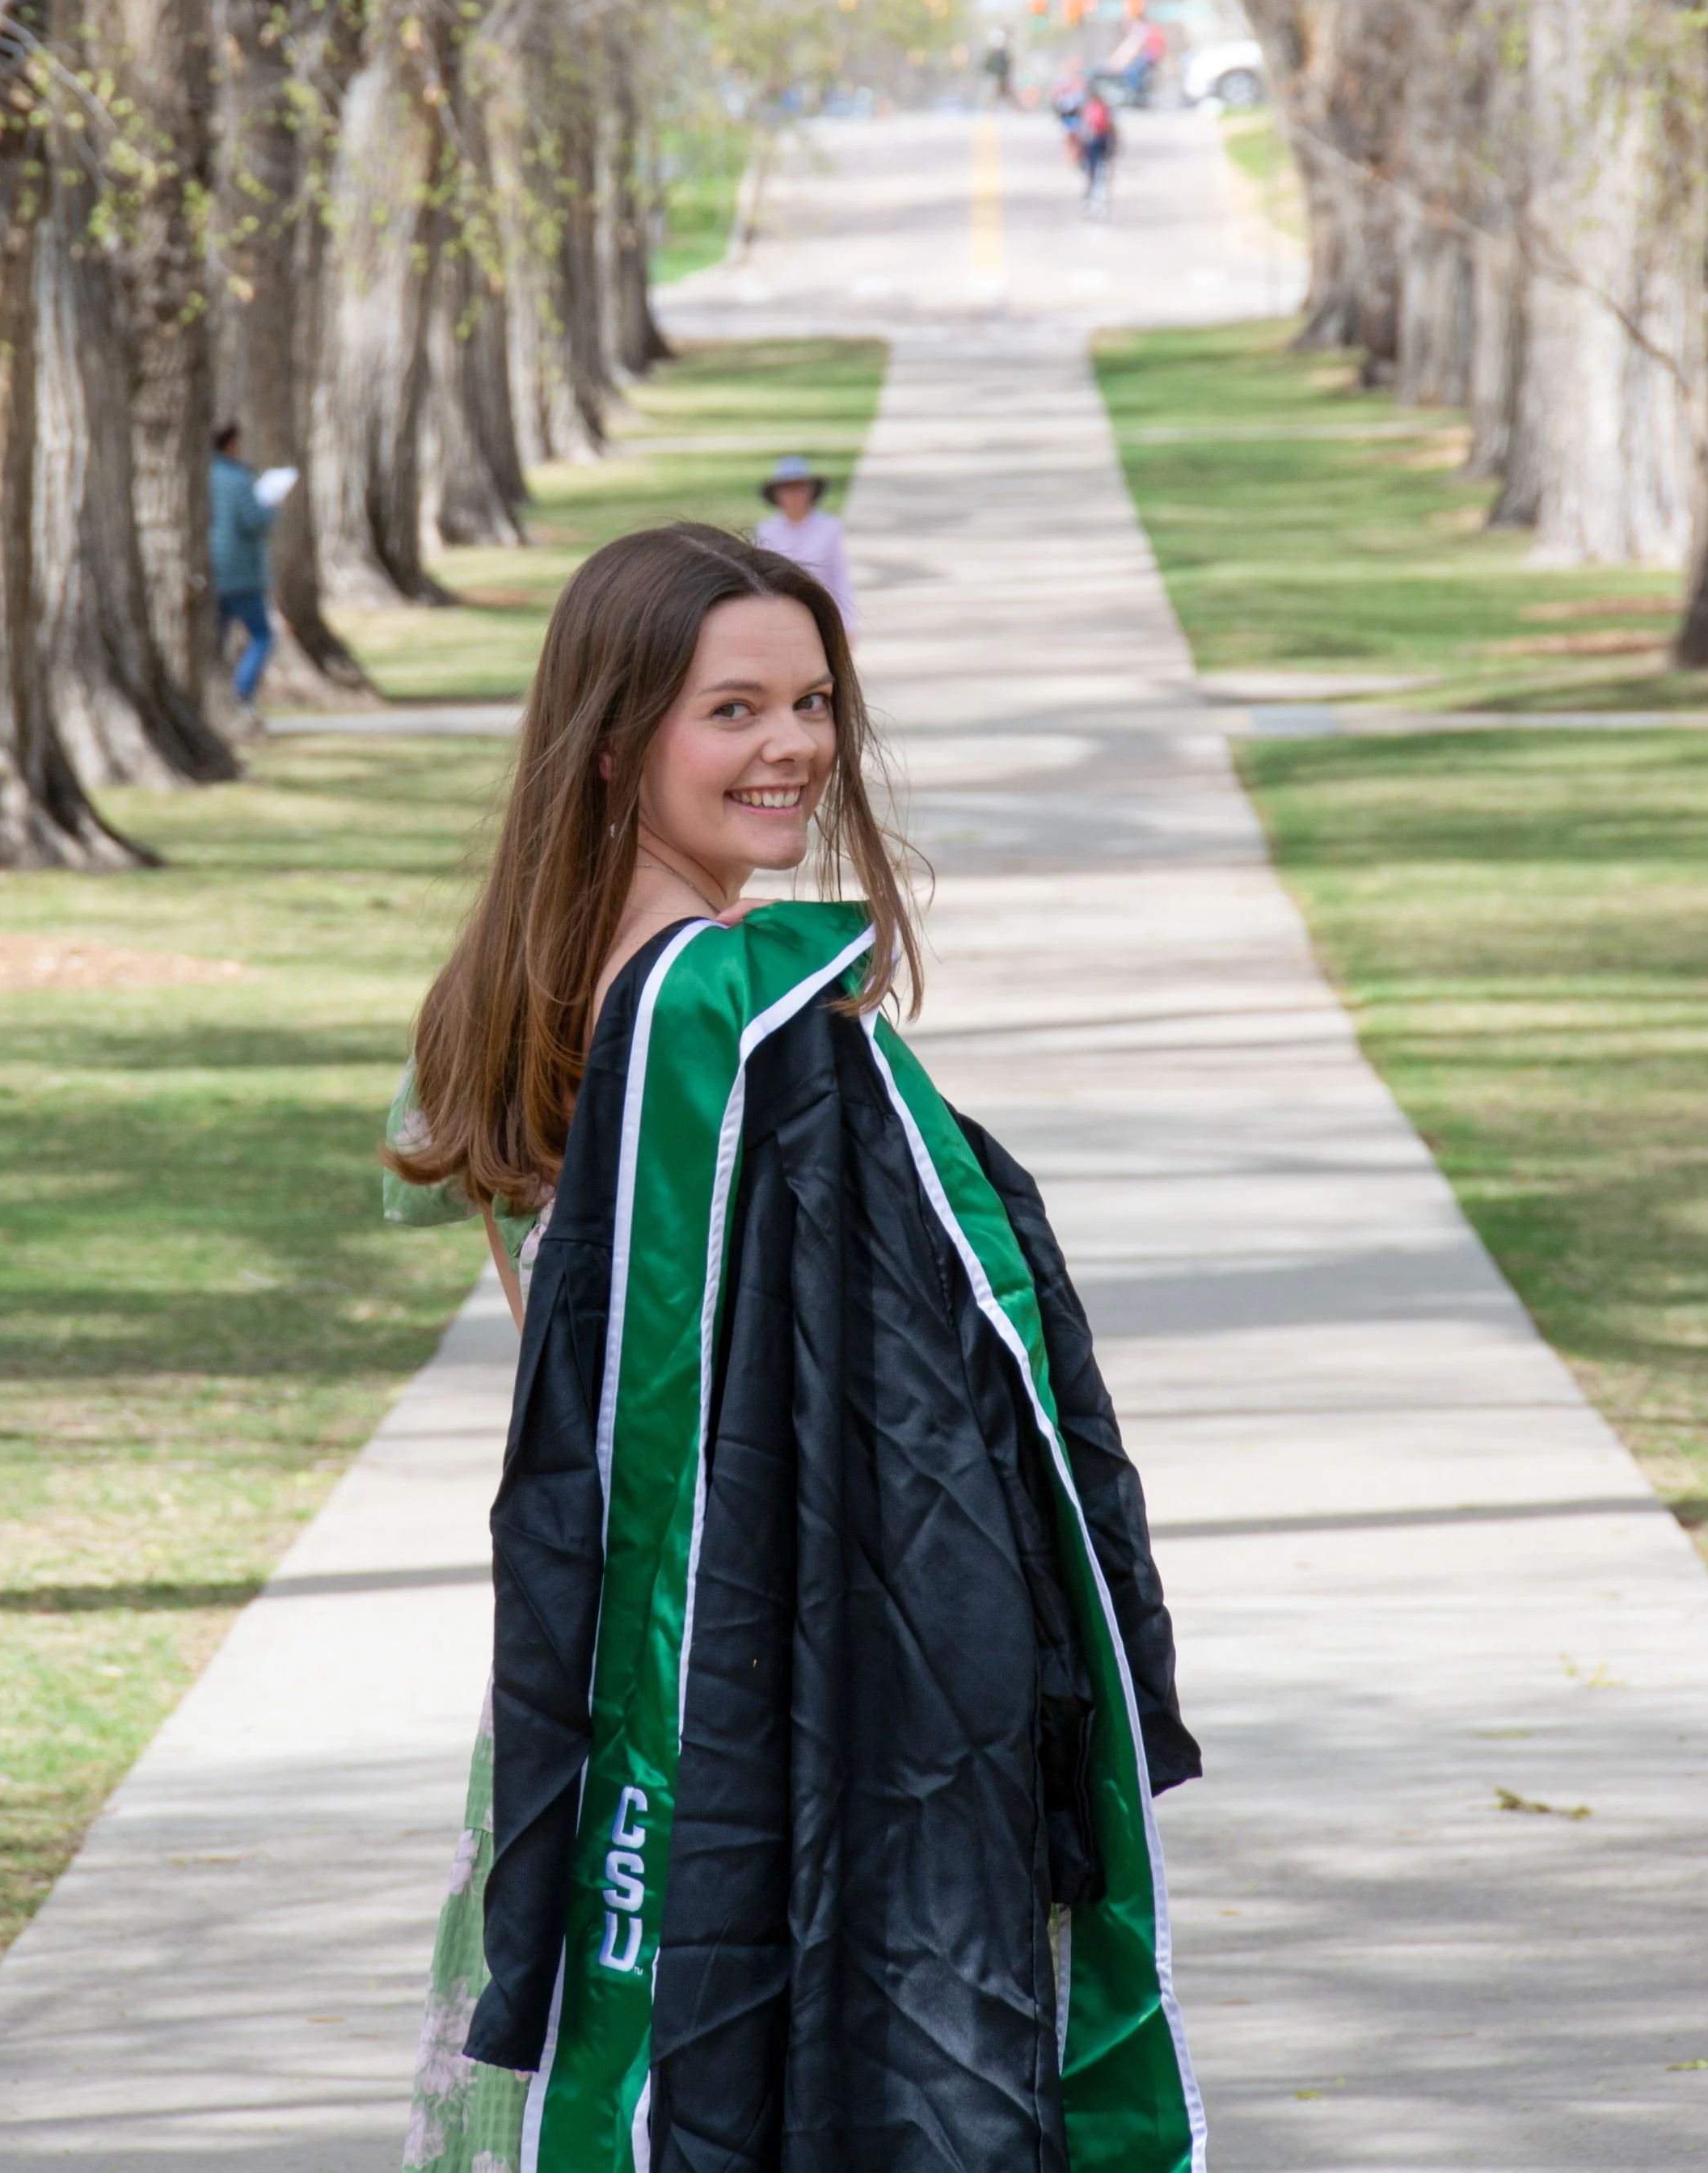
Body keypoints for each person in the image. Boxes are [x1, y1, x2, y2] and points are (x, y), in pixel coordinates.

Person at [389, 523, 1204, 2173]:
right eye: (732, 711)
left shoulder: (523, 992)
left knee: (578, 2100)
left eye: (813, 704)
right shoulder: (718, 1013)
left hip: (611, 1679)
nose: (791, 752)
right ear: (616, 740)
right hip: (760, 1700)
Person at [209, 420, 278, 703]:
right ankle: (241, 692)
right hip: (241, 574)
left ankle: (216, 695)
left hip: (212, 570)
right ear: (232, 445)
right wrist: (271, 508)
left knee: (215, 640)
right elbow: (253, 521)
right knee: (262, 636)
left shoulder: (205, 475)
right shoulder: (239, 479)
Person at [753, 450, 857, 631]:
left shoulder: (829, 527)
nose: (794, 496)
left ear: (810, 491)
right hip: (781, 615)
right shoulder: (766, 530)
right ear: (777, 494)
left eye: (799, 488)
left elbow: (839, 576)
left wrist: (848, 623)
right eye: (787, 489)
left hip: (822, 611)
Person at [1075, 83, 1118, 215]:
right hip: (1100, 145)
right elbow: (1113, 131)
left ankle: (1093, 203)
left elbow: (1081, 131)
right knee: (1099, 175)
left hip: (1092, 146)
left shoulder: (1088, 109)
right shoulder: (1104, 109)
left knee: (1093, 175)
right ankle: (1096, 204)